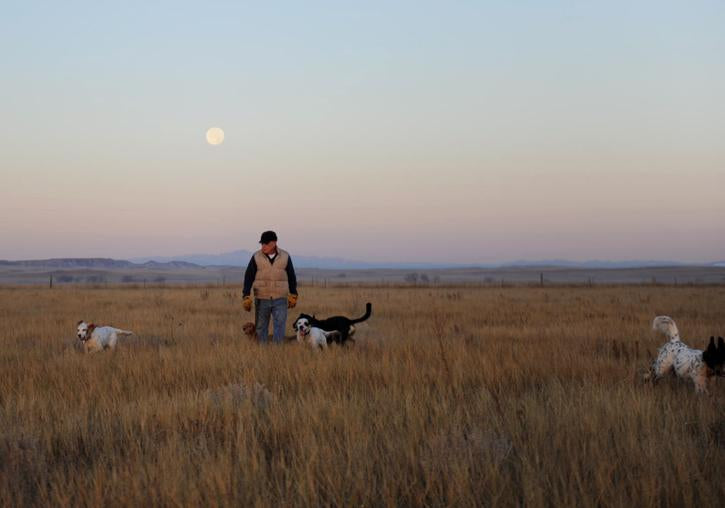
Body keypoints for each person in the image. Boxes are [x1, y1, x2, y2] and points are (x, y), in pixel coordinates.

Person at [242, 231, 298, 343]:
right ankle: (262, 352)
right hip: (262, 298)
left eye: (265, 244)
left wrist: (293, 294)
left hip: (280, 298)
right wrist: (246, 295)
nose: (263, 246)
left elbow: (291, 276)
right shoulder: (256, 257)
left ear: (274, 243)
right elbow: (248, 276)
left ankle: (277, 353)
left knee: (280, 327)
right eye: (262, 244)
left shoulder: (285, 256)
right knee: (261, 328)